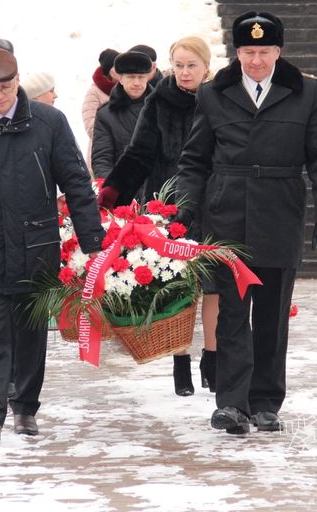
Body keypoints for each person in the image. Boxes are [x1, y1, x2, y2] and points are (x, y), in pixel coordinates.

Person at [176, 11, 317, 435]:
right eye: (248, 52)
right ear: (237, 52)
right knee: (231, 314)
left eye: (264, 51)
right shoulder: (215, 93)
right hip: (226, 213)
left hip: (280, 212)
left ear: (279, 51)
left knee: (272, 315)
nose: (256, 61)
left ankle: (266, 401)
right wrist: (184, 210)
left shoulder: (306, 92)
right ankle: (231, 403)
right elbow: (195, 160)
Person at [0, 47, 104, 444]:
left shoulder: (49, 122)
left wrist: (92, 238)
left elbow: (76, 182)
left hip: (35, 245)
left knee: (30, 331)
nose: (0, 96)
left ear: (17, 80)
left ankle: (25, 408)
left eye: (7, 87)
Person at [97, 36, 219, 397]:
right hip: (167, 205)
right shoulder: (157, 101)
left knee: (214, 285)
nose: (184, 72)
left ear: (205, 68)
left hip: (212, 203)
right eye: (177, 65)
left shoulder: (218, 100)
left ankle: (211, 358)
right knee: (176, 284)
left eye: (191, 66)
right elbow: (138, 154)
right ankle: (180, 360)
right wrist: (111, 194)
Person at [91, 52, 154, 178]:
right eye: (131, 77)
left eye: (141, 77)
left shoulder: (163, 107)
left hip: (162, 192)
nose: (137, 83)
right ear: (120, 79)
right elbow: (102, 159)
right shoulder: (106, 115)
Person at [82, 48, 119, 165]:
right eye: (116, 66)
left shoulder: (127, 89)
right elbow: (91, 126)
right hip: (102, 154)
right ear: (109, 70)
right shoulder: (94, 92)